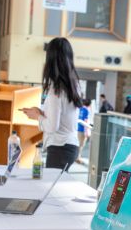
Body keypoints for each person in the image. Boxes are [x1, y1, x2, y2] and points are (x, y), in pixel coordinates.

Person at [21, 37, 82, 170]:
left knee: (51, 189)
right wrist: (41, 112)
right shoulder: (73, 85)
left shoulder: (56, 89)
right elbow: (63, 116)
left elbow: (52, 126)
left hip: (60, 147)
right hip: (69, 146)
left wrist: (37, 116)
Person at [76, 98, 92, 164]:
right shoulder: (87, 110)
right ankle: (78, 158)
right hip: (83, 130)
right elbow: (86, 121)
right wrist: (86, 132)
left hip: (78, 128)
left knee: (78, 144)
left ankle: (77, 157)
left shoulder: (80, 109)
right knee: (81, 145)